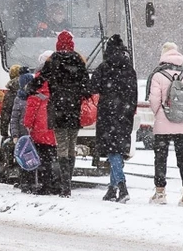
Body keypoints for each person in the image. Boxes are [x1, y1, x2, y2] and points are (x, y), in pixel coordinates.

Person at [147, 42, 183, 207]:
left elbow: (154, 99)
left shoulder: (158, 76)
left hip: (163, 124)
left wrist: (159, 114)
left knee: (161, 158)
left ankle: (160, 192)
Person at [90, 35, 137, 203]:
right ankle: (112, 189)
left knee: (113, 151)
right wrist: (129, 111)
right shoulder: (129, 69)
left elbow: (92, 88)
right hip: (125, 114)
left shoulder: (104, 67)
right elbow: (134, 94)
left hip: (108, 114)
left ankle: (122, 187)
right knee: (117, 150)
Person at [44, 30, 90, 198]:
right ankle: (68, 181)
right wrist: (77, 93)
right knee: (71, 146)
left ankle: (65, 187)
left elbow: (41, 79)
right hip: (73, 111)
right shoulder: (79, 61)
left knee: (61, 147)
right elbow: (87, 88)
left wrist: (28, 90)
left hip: (58, 110)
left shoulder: (53, 60)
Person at [23, 73, 57, 195]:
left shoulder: (36, 93)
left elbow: (30, 112)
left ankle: (44, 184)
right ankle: (55, 183)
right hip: (54, 129)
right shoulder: (56, 90)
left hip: (40, 129)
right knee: (53, 157)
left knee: (42, 159)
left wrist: (27, 125)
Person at [10, 72, 35, 191]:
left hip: (33, 134)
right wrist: (14, 134)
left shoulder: (34, 97)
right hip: (22, 134)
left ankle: (32, 181)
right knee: (24, 159)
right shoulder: (19, 99)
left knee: (33, 159)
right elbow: (14, 118)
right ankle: (24, 182)